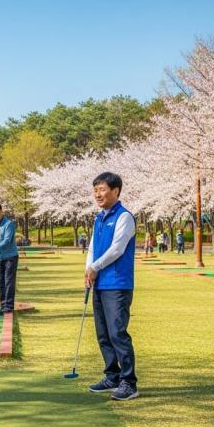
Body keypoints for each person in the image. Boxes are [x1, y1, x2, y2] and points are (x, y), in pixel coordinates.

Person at [84, 172, 139, 401]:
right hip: (99, 283)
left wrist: (95, 267)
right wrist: (89, 269)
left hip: (117, 284)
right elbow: (92, 247)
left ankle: (129, 382)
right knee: (103, 333)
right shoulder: (99, 218)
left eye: (102, 189)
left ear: (116, 191)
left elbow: (117, 249)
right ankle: (112, 375)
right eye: (95, 190)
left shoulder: (124, 217)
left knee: (117, 332)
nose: (98, 194)